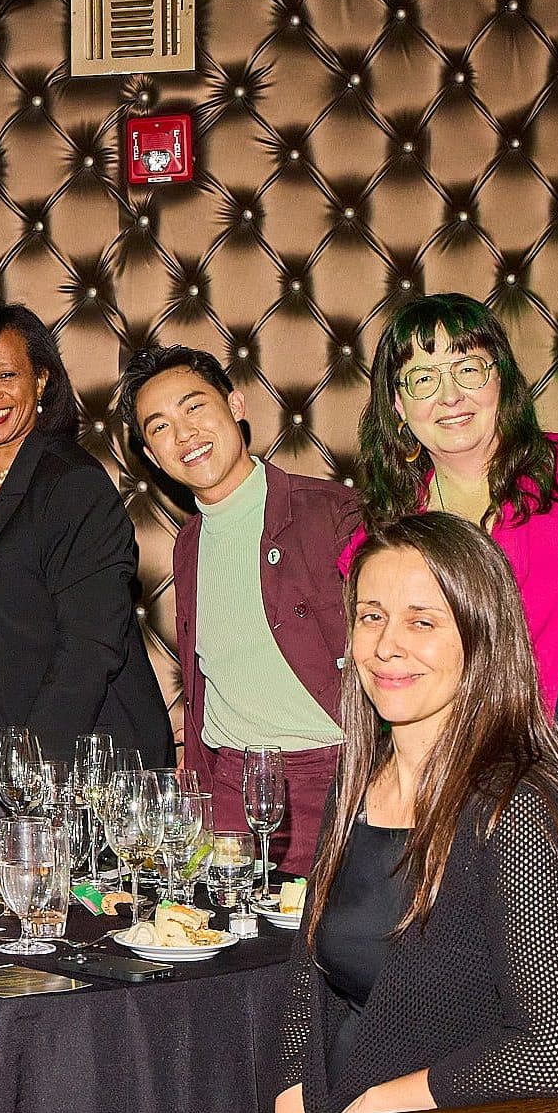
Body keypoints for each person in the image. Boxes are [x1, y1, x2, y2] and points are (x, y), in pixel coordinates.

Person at [276, 513, 558, 1113]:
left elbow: (555, 1048)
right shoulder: (358, 777)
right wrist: (294, 1107)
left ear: (479, 637)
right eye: (370, 616)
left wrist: (380, 1107)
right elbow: (307, 971)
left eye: (421, 621)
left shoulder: (517, 803)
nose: (386, 645)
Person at [0, 300, 170, 835]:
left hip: (78, 765)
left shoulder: (73, 486)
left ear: (43, 380)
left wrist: (29, 771)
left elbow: (89, 649)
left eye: (6, 374)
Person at [117, 345, 358, 874]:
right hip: (227, 783)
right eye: (159, 428)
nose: (183, 435)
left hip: (328, 782)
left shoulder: (329, 512)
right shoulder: (190, 542)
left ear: (236, 405)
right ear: (152, 456)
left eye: (194, 408)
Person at [354, 293, 558, 707]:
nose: (451, 396)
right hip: (456, 756)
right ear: (398, 405)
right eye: (423, 378)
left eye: (468, 369)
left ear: (502, 378)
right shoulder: (381, 533)